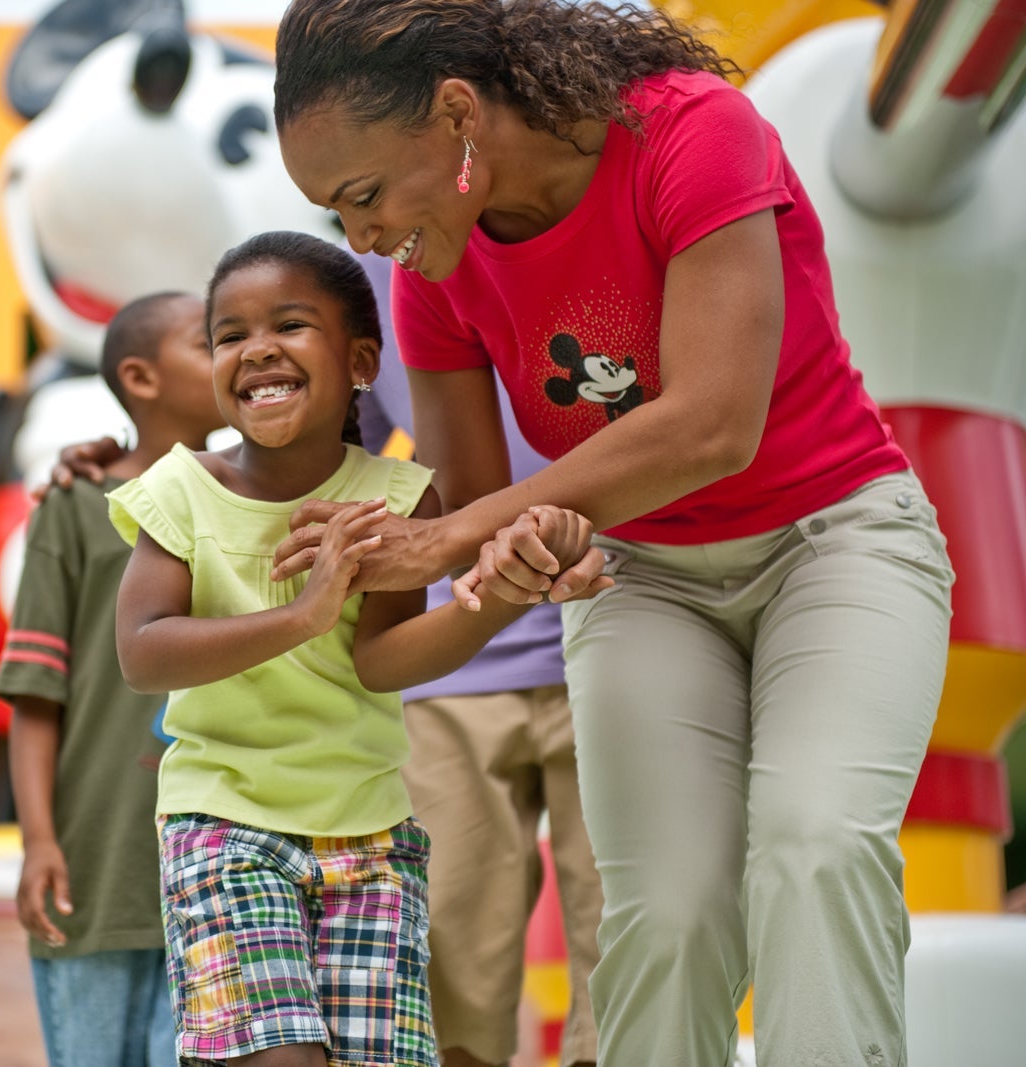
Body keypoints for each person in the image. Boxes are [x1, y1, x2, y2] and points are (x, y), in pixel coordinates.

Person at [267, 3, 956, 1066]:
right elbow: (475, 505)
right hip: (644, 576)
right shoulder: (430, 274)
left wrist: (455, 541)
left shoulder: (689, 131)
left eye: (362, 196)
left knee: (811, 845)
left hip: (836, 540)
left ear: (456, 113)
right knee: (665, 912)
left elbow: (712, 425)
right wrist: (515, 549)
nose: (358, 240)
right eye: (334, 214)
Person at [108, 230, 605, 1067]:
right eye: (229, 335)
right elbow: (142, 651)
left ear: (364, 360)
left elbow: (383, 658)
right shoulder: (181, 489)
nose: (257, 348)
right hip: (227, 821)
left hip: (369, 837)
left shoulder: (397, 496)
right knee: (279, 1055)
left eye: (290, 326)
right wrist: (301, 616)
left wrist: (498, 596)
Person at [356, 248, 600, 1067]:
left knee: (630, 940)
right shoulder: (374, 278)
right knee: (450, 945)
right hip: (454, 655)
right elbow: (313, 449)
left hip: (624, 628)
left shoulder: (598, 225)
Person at [0, 291, 223, 1067]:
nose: (236, 355)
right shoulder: (74, 508)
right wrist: (39, 840)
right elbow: (35, 692)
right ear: (141, 377)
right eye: (210, 341)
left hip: (223, 866)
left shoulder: (254, 500)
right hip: (94, 864)